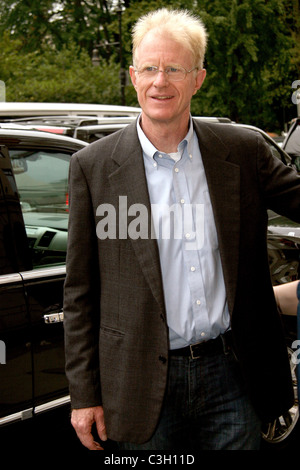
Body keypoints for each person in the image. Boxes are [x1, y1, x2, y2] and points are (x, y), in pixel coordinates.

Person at [63, 8, 300, 450]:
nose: (160, 81)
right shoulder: (93, 167)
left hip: (234, 377)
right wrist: (84, 393)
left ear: (199, 78)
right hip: (138, 383)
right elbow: (79, 292)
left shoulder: (242, 152)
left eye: (175, 69)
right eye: (150, 68)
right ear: (133, 76)